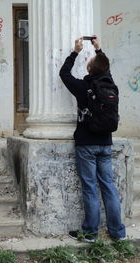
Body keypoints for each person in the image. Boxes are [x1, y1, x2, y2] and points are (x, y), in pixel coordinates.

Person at [59, 36, 126, 242]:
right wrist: (98, 50)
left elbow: (64, 73)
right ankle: (118, 233)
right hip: (106, 143)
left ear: (89, 70)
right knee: (108, 186)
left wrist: (75, 52)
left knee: (90, 188)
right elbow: (105, 70)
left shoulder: (83, 88)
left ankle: (90, 233)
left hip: (86, 144)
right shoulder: (110, 84)